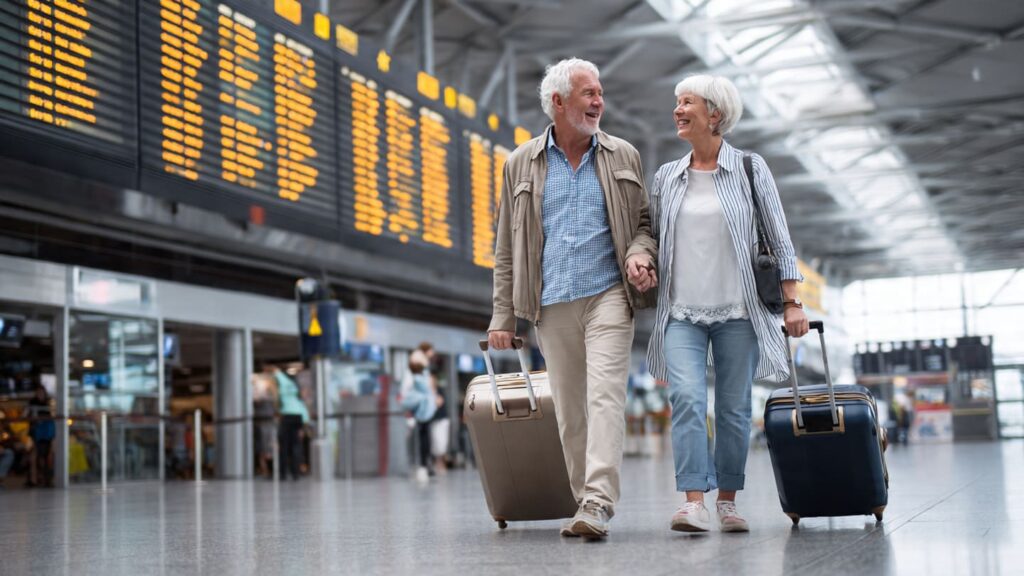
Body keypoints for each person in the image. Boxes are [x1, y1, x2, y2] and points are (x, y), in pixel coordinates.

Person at [487, 57, 658, 539]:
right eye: (588, 93)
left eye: (600, 92)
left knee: (605, 397)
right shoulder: (520, 162)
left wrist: (641, 256)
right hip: (550, 302)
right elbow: (506, 247)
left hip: (608, 295)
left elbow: (644, 225)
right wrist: (503, 315)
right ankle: (584, 496)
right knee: (570, 407)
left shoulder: (623, 154)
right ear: (558, 102)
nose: (599, 101)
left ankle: (598, 502)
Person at [643, 75, 809, 533]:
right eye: (676, 102)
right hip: (681, 314)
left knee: (734, 408)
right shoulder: (667, 178)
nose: (677, 110)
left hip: (739, 311)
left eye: (687, 102)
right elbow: (652, 236)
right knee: (688, 400)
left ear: (714, 114)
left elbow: (779, 237)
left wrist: (793, 303)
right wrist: (642, 259)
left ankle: (728, 500)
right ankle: (693, 500)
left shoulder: (752, 169)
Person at [273, 367, 310, 481]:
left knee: (283, 447)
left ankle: (283, 473)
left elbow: (277, 374)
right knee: (296, 446)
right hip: (298, 417)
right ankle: (295, 473)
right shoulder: (296, 389)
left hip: (286, 416)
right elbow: (303, 408)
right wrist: (304, 425)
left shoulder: (283, 385)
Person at [26, 384, 55, 487]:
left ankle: (47, 479)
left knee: (48, 456)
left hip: (47, 433)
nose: (40, 394)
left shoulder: (49, 403)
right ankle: (34, 479)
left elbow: (52, 417)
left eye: (41, 392)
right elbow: (28, 417)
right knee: (35, 456)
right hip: (36, 434)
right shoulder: (32, 403)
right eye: (38, 392)